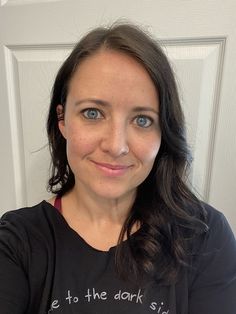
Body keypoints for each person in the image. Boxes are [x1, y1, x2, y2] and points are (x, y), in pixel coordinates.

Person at [0, 23, 236, 314]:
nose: (116, 145)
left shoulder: (205, 237)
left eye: (142, 120)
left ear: (164, 132)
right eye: (92, 113)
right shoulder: (16, 242)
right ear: (62, 120)